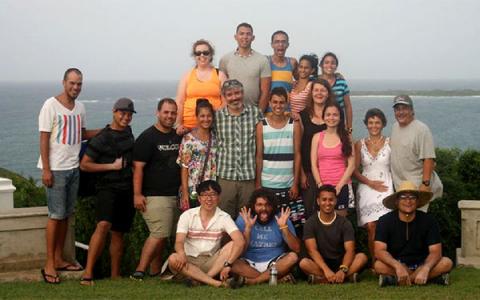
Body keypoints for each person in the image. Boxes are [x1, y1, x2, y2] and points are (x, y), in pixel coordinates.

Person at [38, 68, 98, 284]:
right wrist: (46, 169)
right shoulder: (50, 105)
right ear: (64, 82)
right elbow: (44, 138)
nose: (76, 87)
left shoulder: (80, 107)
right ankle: (49, 264)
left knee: (66, 215)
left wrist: (106, 130)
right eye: (72, 83)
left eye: (79, 84)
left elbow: (80, 134)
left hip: (74, 168)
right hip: (56, 169)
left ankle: (59, 258)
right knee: (55, 215)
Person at [79, 98, 136, 286]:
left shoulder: (128, 133)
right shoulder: (102, 138)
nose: (126, 117)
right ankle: (87, 274)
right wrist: (111, 166)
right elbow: (85, 165)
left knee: (119, 232)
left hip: (126, 189)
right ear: (114, 111)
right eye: (122, 113)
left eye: (129, 114)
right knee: (103, 226)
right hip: (107, 188)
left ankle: (115, 275)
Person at [130, 98, 182, 280]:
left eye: (173, 113)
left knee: (167, 233)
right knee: (159, 232)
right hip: (155, 195)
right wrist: (137, 194)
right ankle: (139, 271)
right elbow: (137, 167)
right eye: (166, 112)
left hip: (176, 195)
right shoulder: (147, 137)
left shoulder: (177, 135)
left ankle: (155, 270)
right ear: (158, 113)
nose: (169, 116)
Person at [167, 180, 245, 288]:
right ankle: (216, 283)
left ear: (218, 198)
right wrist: (181, 253)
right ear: (199, 198)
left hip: (211, 262)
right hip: (188, 260)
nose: (209, 198)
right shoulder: (187, 215)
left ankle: (202, 279)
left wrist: (228, 265)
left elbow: (240, 241)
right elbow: (179, 242)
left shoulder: (224, 217)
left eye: (213, 194)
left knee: (232, 244)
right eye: (204, 195)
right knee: (173, 258)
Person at [374, 181, 453, 287]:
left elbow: (436, 252)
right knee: (378, 265)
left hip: (422, 263)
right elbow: (379, 251)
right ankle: (430, 278)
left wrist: (425, 268)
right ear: (397, 201)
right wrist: (398, 266)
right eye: (403, 197)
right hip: (397, 263)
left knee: (446, 263)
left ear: (417, 201)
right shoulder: (384, 221)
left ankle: (397, 280)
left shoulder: (429, 220)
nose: (408, 201)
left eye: (412, 197)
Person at [255, 87, 303, 231]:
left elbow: (298, 154)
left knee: (294, 226)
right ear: (269, 102)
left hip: (288, 185)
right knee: (269, 224)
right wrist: (258, 183)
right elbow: (259, 155)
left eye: (282, 102)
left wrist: (295, 183)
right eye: (275, 102)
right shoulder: (261, 125)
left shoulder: (294, 124)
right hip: (267, 183)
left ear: (286, 103)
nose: (278, 105)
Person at [299, 185, 367, 284]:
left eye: (331, 200)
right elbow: (312, 250)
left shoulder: (345, 223)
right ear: (318, 201)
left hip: (341, 262)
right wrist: (326, 270)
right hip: (321, 264)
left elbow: (350, 250)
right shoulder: (310, 222)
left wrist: (343, 269)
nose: (327, 203)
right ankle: (343, 278)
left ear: (335, 201)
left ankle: (326, 279)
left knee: (362, 257)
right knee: (304, 263)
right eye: (324, 199)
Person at [215, 79, 263, 219]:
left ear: (243, 93)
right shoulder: (217, 117)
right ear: (224, 97)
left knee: (246, 219)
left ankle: (244, 242)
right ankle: (225, 242)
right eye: (229, 95)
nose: (234, 97)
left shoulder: (255, 113)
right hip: (225, 177)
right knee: (224, 218)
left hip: (248, 177)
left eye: (237, 93)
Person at [231, 188, 300, 285]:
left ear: (273, 206)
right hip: (249, 263)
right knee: (231, 262)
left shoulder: (281, 217)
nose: (264, 208)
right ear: (253, 206)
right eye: (259, 205)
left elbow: (296, 249)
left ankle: (254, 281)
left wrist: (284, 227)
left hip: (275, 262)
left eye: (268, 205)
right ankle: (273, 279)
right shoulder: (244, 218)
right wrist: (247, 229)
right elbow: (240, 252)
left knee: (292, 257)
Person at [390, 95, 443, 212]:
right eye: (397, 109)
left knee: (417, 222)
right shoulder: (394, 127)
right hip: (400, 187)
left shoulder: (421, 130)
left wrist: (425, 185)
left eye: (404, 108)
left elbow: (428, 158)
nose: (400, 112)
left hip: (417, 187)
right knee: (404, 223)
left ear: (412, 110)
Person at [353, 108, 392, 261]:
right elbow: (354, 171)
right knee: (371, 227)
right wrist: (370, 183)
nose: (374, 125)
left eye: (377, 122)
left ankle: (388, 261)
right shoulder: (359, 144)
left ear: (383, 124)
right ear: (366, 124)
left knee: (386, 226)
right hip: (366, 186)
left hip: (386, 186)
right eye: (371, 122)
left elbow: (398, 165)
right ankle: (376, 262)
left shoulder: (390, 142)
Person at [311, 101, 355, 217]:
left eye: (335, 115)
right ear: (324, 117)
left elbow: (351, 165)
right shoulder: (317, 137)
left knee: (340, 224)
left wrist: (339, 186)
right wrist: (320, 184)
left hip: (341, 186)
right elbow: (314, 164)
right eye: (328, 114)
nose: (331, 118)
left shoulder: (346, 137)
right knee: (322, 225)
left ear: (340, 118)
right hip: (323, 187)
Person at [175, 39, 227, 135]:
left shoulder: (220, 75)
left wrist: (214, 112)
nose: (202, 55)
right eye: (198, 53)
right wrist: (178, 124)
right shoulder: (187, 76)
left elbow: (225, 102)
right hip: (189, 127)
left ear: (211, 55)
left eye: (205, 52)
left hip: (213, 126)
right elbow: (180, 102)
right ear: (194, 56)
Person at [219, 22, 271, 111]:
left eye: (248, 34)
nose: (245, 37)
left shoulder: (262, 60)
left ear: (253, 38)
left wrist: (259, 114)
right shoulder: (225, 60)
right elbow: (222, 88)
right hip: (231, 111)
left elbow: (265, 92)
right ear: (235, 37)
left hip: (253, 111)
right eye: (241, 34)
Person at [177, 99, 217, 211]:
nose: (206, 119)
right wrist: (185, 193)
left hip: (211, 190)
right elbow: (184, 168)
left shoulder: (215, 137)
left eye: (209, 116)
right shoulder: (188, 139)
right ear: (197, 117)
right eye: (202, 116)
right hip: (193, 190)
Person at [299, 79, 331, 218]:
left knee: (328, 210)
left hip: (329, 170)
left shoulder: (333, 115)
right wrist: (301, 173)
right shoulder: (302, 115)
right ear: (311, 93)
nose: (319, 93)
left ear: (328, 94)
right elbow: (297, 146)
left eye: (323, 90)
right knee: (309, 210)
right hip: (308, 172)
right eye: (316, 90)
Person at [319, 52, 353, 133]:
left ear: (336, 66)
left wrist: (349, 129)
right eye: (326, 62)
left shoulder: (341, 82)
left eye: (333, 63)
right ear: (321, 65)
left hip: (338, 124)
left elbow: (348, 107)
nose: (329, 65)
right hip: (319, 123)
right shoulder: (315, 81)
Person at [289, 54, 318, 120]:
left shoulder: (312, 86)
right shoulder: (293, 84)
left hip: (305, 121)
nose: (303, 70)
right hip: (291, 121)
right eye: (301, 67)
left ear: (312, 70)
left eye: (306, 68)